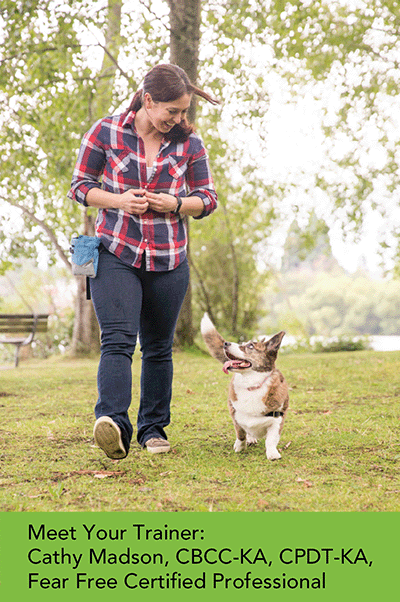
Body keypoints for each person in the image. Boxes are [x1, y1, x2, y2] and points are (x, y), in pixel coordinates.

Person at [68, 64, 218, 459]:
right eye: (172, 111)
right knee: (117, 340)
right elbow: (80, 187)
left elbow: (208, 198)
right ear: (148, 101)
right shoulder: (106, 131)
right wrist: (118, 200)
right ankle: (112, 423)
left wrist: (178, 203)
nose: (179, 119)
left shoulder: (190, 144)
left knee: (158, 346)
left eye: (184, 112)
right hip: (115, 249)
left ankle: (153, 428)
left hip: (170, 257)